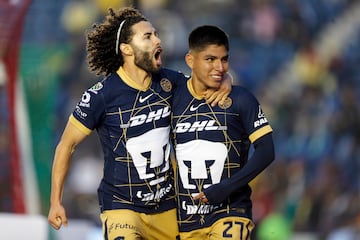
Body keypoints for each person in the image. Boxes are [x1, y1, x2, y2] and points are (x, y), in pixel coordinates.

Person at [47, 7, 231, 240]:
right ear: (126, 49)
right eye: (148, 36)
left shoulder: (169, 81)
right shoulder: (101, 95)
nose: (158, 40)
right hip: (122, 208)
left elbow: (211, 82)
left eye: (156, 34)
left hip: (167, 207)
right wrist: (55, 202)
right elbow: (66, 145)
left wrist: (226, 80)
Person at [171, 25, 275, 239]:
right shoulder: (172, 96)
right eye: (210, 59)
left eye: (224, 59)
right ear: (190, 60)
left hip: (231, 212)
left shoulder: (241, 99)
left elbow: (266, 151)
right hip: (186, 219)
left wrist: (226, 187)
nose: (220, 67)